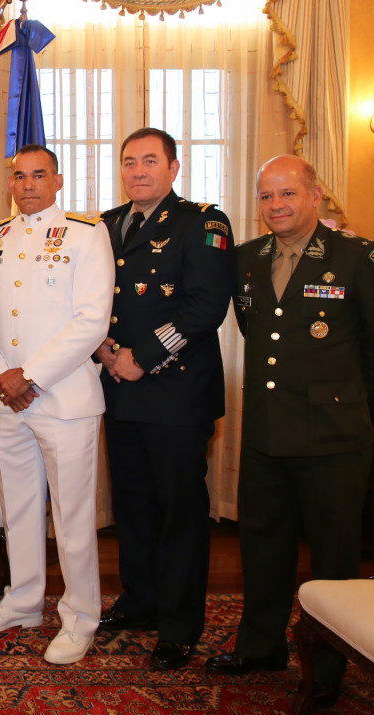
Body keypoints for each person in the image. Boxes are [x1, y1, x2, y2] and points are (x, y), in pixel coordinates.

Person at [206, 155, 374, 698]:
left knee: (333, 556)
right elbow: (257, 329)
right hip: (267, 431)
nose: (276, 205)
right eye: (266, 196)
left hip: (332, 437)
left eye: (287, 193)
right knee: (261, 545)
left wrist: (340, 396)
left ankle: (328, 667)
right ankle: (259, 647)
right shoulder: (247, 259)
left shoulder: (359, 257)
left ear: (315, 195)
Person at [94, 127, 234, 671]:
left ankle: (179, 623)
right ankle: (141, 600)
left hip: (176, 393)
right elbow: (90, 300)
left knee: (179, 513)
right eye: (130, 161)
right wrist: (104, 350)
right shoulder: (106, 225)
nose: (138, 171)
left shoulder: (203, 223)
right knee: (132, 506)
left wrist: (143, 356)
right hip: (119, 387)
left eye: (150, 161)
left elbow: (205, 308)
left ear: (174, 169)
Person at [0, 145, 114, 664]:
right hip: (10, 402)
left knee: (72, 520)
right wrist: (1, 378)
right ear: (10, 183)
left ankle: (80, 619)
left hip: (65, 399)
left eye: (38, 175)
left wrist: (28, 376)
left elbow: (92, 321)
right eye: (19, 176)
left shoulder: (86, 233)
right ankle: (24, 601)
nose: (27, 184)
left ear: (57, 181)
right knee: (20, 509)